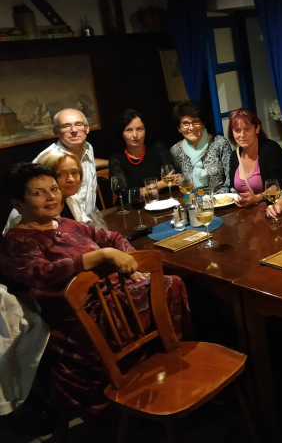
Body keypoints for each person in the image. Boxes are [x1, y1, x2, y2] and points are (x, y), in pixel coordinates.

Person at [0, 163, 190, 416]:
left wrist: (131, 263)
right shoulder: (18, 240)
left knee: (172, 282)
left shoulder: (65, 223)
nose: (51, 197)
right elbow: (42, 274)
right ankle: (165, 370)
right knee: (169, 285)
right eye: (38, 193)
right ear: (18, 204)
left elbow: (113, 238)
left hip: (115, 294)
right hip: (82, 316)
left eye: (54, 189)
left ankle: (169, 369)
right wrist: (100, 256)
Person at [34, 108, 107, 216]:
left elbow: (84, 164)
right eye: (66, 126)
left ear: (87, 128)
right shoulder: (48, 159)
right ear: (56, 132)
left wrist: (112, 162)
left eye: (78, 124)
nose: (74, 130)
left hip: (91, 218)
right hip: (65, 221)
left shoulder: (88, 148)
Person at [3, 150, 90, 235]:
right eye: (60, 174)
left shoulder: (72, 199)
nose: (71, 179)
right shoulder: (22, 215)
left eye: (74, 172)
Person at [227, 108, 282, 208]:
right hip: (244, 211)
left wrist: (257, 198)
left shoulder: (271, 149)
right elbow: (232, 188)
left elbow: (278, 186)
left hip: (271, 209)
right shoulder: (234, 156)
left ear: (257, 129)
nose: (242, 135)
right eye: (237, 131)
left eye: (247, 129)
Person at [169, 101, 231, 194]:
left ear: (203, 124)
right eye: (185, 123)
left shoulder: (219, 143)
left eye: (196, 122)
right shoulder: (176, 150)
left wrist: (215, 199)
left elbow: (231, 178)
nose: (191, 128)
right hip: (192, 201)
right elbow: (179, 184)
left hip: (221, 199)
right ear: (179, 128)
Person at [108, 109, 174, 191]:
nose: (135, 135)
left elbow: (173, 178)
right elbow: (125, 193)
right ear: (122, 134)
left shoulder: (158, 148)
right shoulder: (116, 160)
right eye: (129, 130)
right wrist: (159, 185)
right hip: (136, 200)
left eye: (139, 129)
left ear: (145, 131)